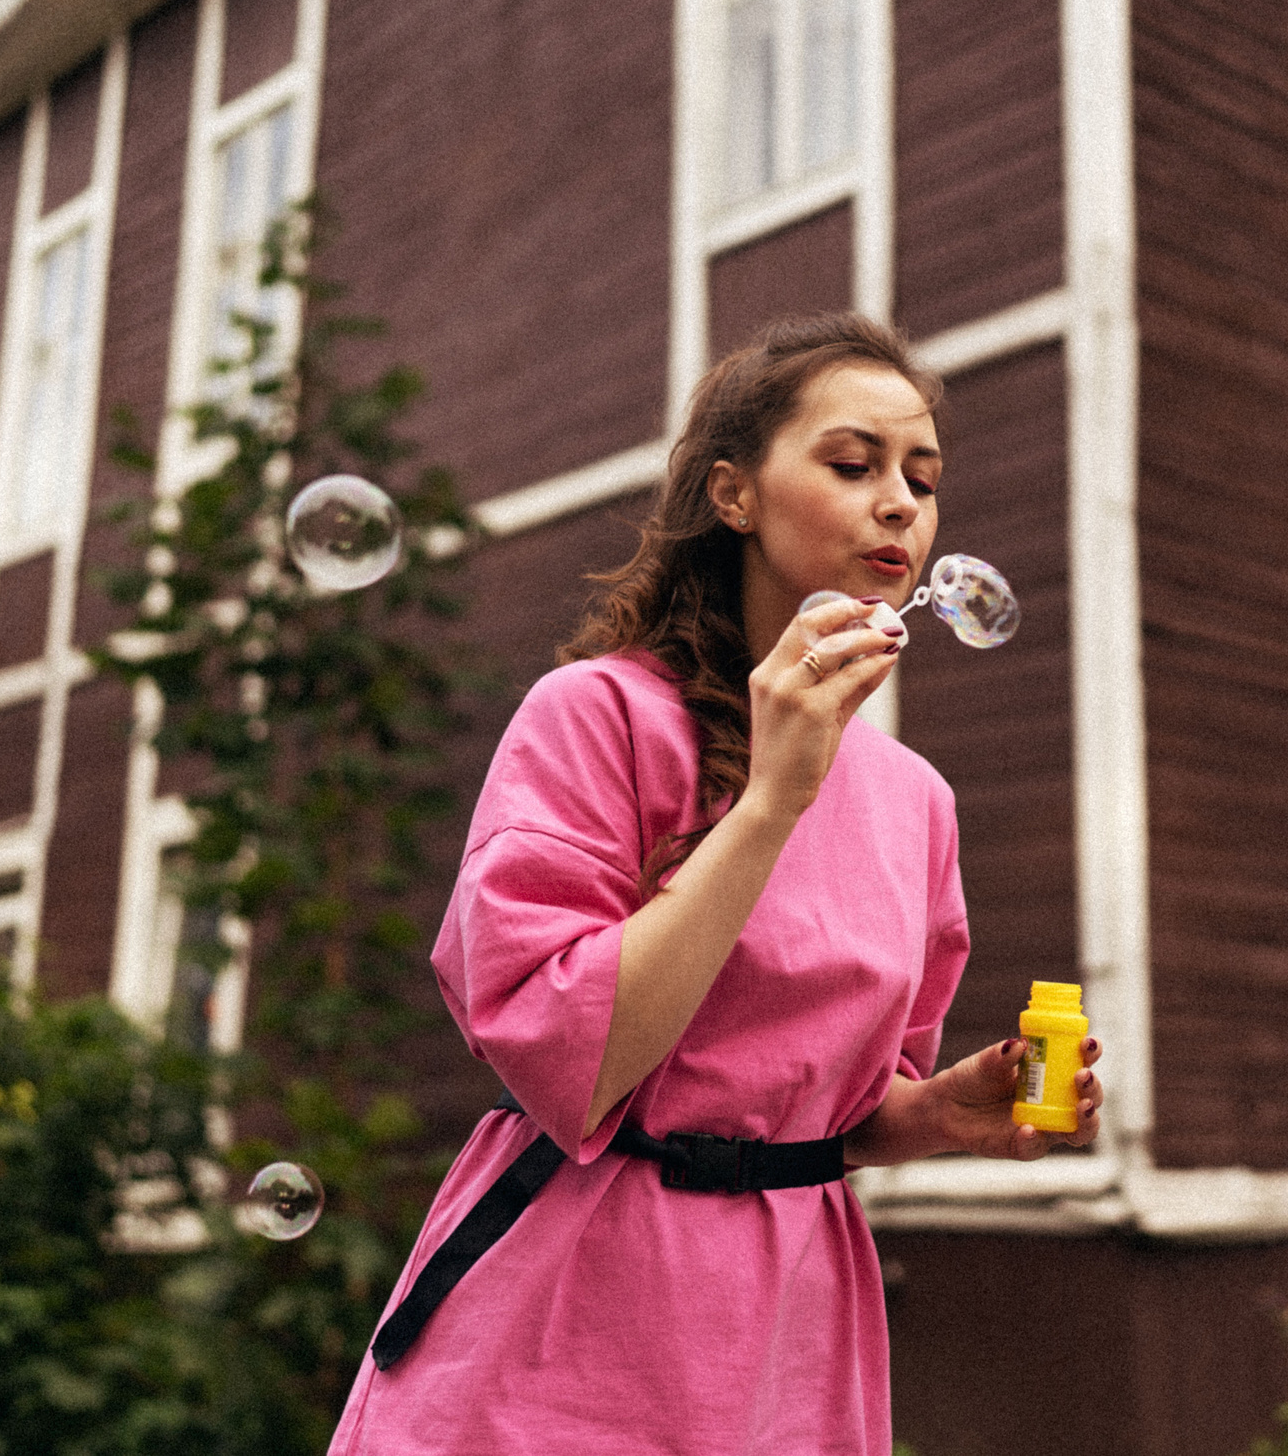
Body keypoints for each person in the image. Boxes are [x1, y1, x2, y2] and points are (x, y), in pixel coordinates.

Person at [325, 313, 1104, 1455]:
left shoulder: (915, 799)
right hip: (572, 1309)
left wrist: (934, 1114)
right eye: (853, 464)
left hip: (789, 1330)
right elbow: (571, 1062)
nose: (900, 503)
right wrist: (773, 797)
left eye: (922, 479)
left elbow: (815, 1112)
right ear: (734, 495)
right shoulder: (595, 714)